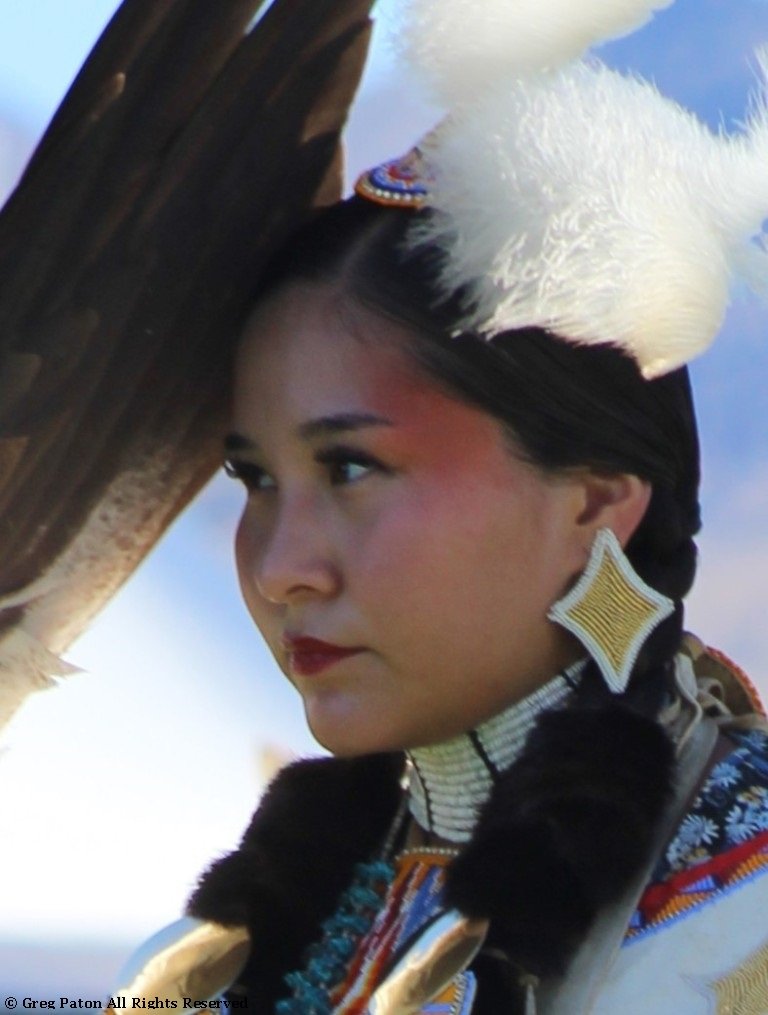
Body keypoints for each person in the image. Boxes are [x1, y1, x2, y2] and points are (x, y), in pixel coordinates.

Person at [115, 0, 768, 1010]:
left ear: (595, 502)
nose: (281, 567)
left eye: (352, 469)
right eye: (256, 479)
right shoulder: (225, 956)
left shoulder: (736, 930)